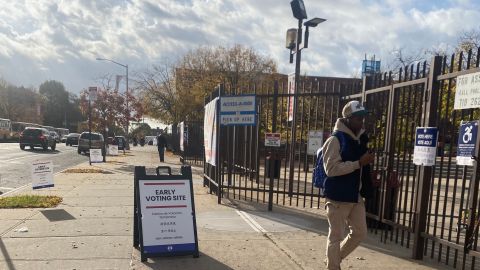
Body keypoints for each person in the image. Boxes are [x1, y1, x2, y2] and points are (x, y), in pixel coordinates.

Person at [322, 100, 375, 270]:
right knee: (335, 236)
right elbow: (331, 169)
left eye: (363, 119)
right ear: (347, 119)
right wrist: (358, 163)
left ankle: (334, 259)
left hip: (355, 196)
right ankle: (333, 266)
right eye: (358, 119)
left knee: (360, 232)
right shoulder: (335, 140)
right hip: (337, 196)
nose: (361, 123)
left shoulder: (359, 140)